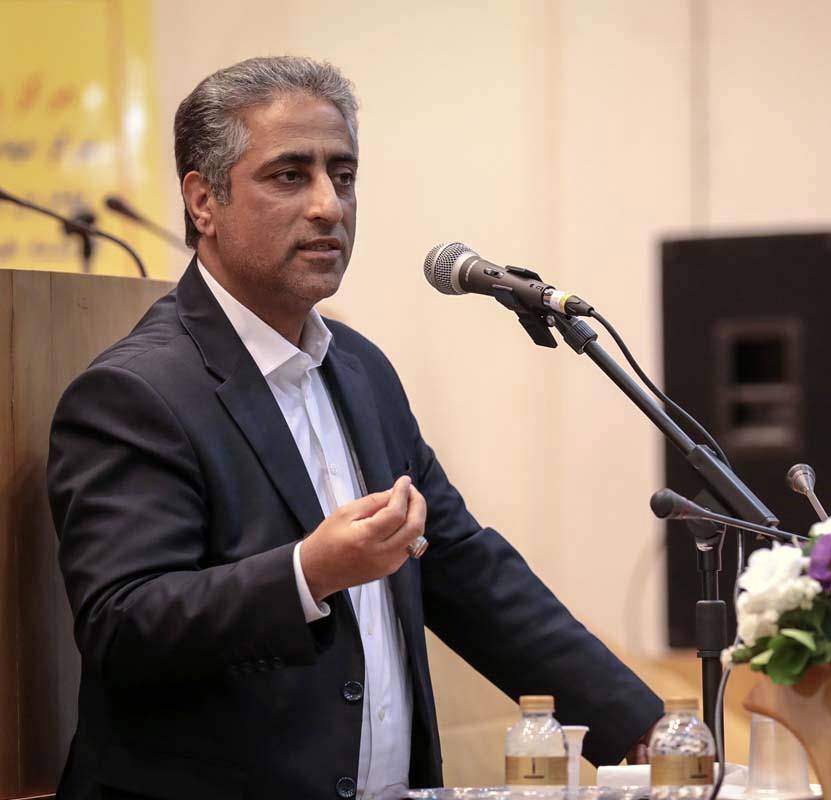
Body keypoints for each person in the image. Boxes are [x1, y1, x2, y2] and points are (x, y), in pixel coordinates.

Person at [47, 56, 662, 800]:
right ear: (203, 201)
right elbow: (122, 626)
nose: (327, 206)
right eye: (289, 176)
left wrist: (647, 731)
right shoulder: (135, 393)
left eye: (343, 176)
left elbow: (465, 572)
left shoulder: (360, 368)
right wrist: (307, 573)